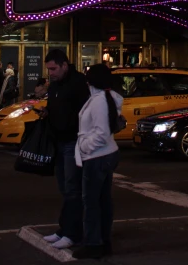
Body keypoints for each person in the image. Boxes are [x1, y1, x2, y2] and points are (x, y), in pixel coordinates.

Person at [40, 48, 90, 251]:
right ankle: (65, 229)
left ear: (64, 65)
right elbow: (55, 107)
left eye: (53, 68)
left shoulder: (78, 84)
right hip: (59, 142)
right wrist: (47, 112)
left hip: (73, 142)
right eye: (49, 69)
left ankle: (72, 233)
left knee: (72, 189)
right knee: (65, 188)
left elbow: (84, 113)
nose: (51, 73)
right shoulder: (55, 85)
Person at [73, 63, 123, 259]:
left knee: (92, 202)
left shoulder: (99, 101)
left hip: (97, 156)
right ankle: (102, 241)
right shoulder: (104, 98)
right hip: (104, 155)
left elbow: (101, 133)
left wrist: (85, 146)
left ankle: (94, 243)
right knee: (102, 201)